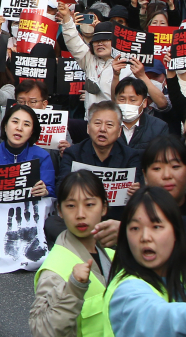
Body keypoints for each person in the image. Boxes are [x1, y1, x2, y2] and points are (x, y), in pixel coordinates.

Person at [30, 171, 115, 337]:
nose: (80, 214)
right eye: (71, 206)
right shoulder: (55, 270)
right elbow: (41, 330)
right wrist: (73, 289)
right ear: (59, 211)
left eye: (89, 204)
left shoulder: (113, 255)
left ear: (104, 207)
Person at [103, 186, 186, 335]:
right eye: (135, 228)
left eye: (156, 226)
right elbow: (161, 318)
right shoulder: (127, 291)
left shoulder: (179, 276)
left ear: (176, 231)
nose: (145, 237)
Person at [54, 102, 139, 245]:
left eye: (109, 125)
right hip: (81, 218)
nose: (103, 129)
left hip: (115, 220)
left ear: (119, 132)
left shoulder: (131, 156)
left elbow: (136, 194)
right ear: (88, 128)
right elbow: (61, 187)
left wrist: (137, 189)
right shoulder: (73, 153)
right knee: (52, 224)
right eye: (97, 123)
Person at [0, 104, 56, 207]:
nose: (19, 128)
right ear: (5, 126)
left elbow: (52, 192)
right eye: (15, 122)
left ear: (32, 131)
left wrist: (46, 191)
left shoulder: (42, 157)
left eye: (26, 124)